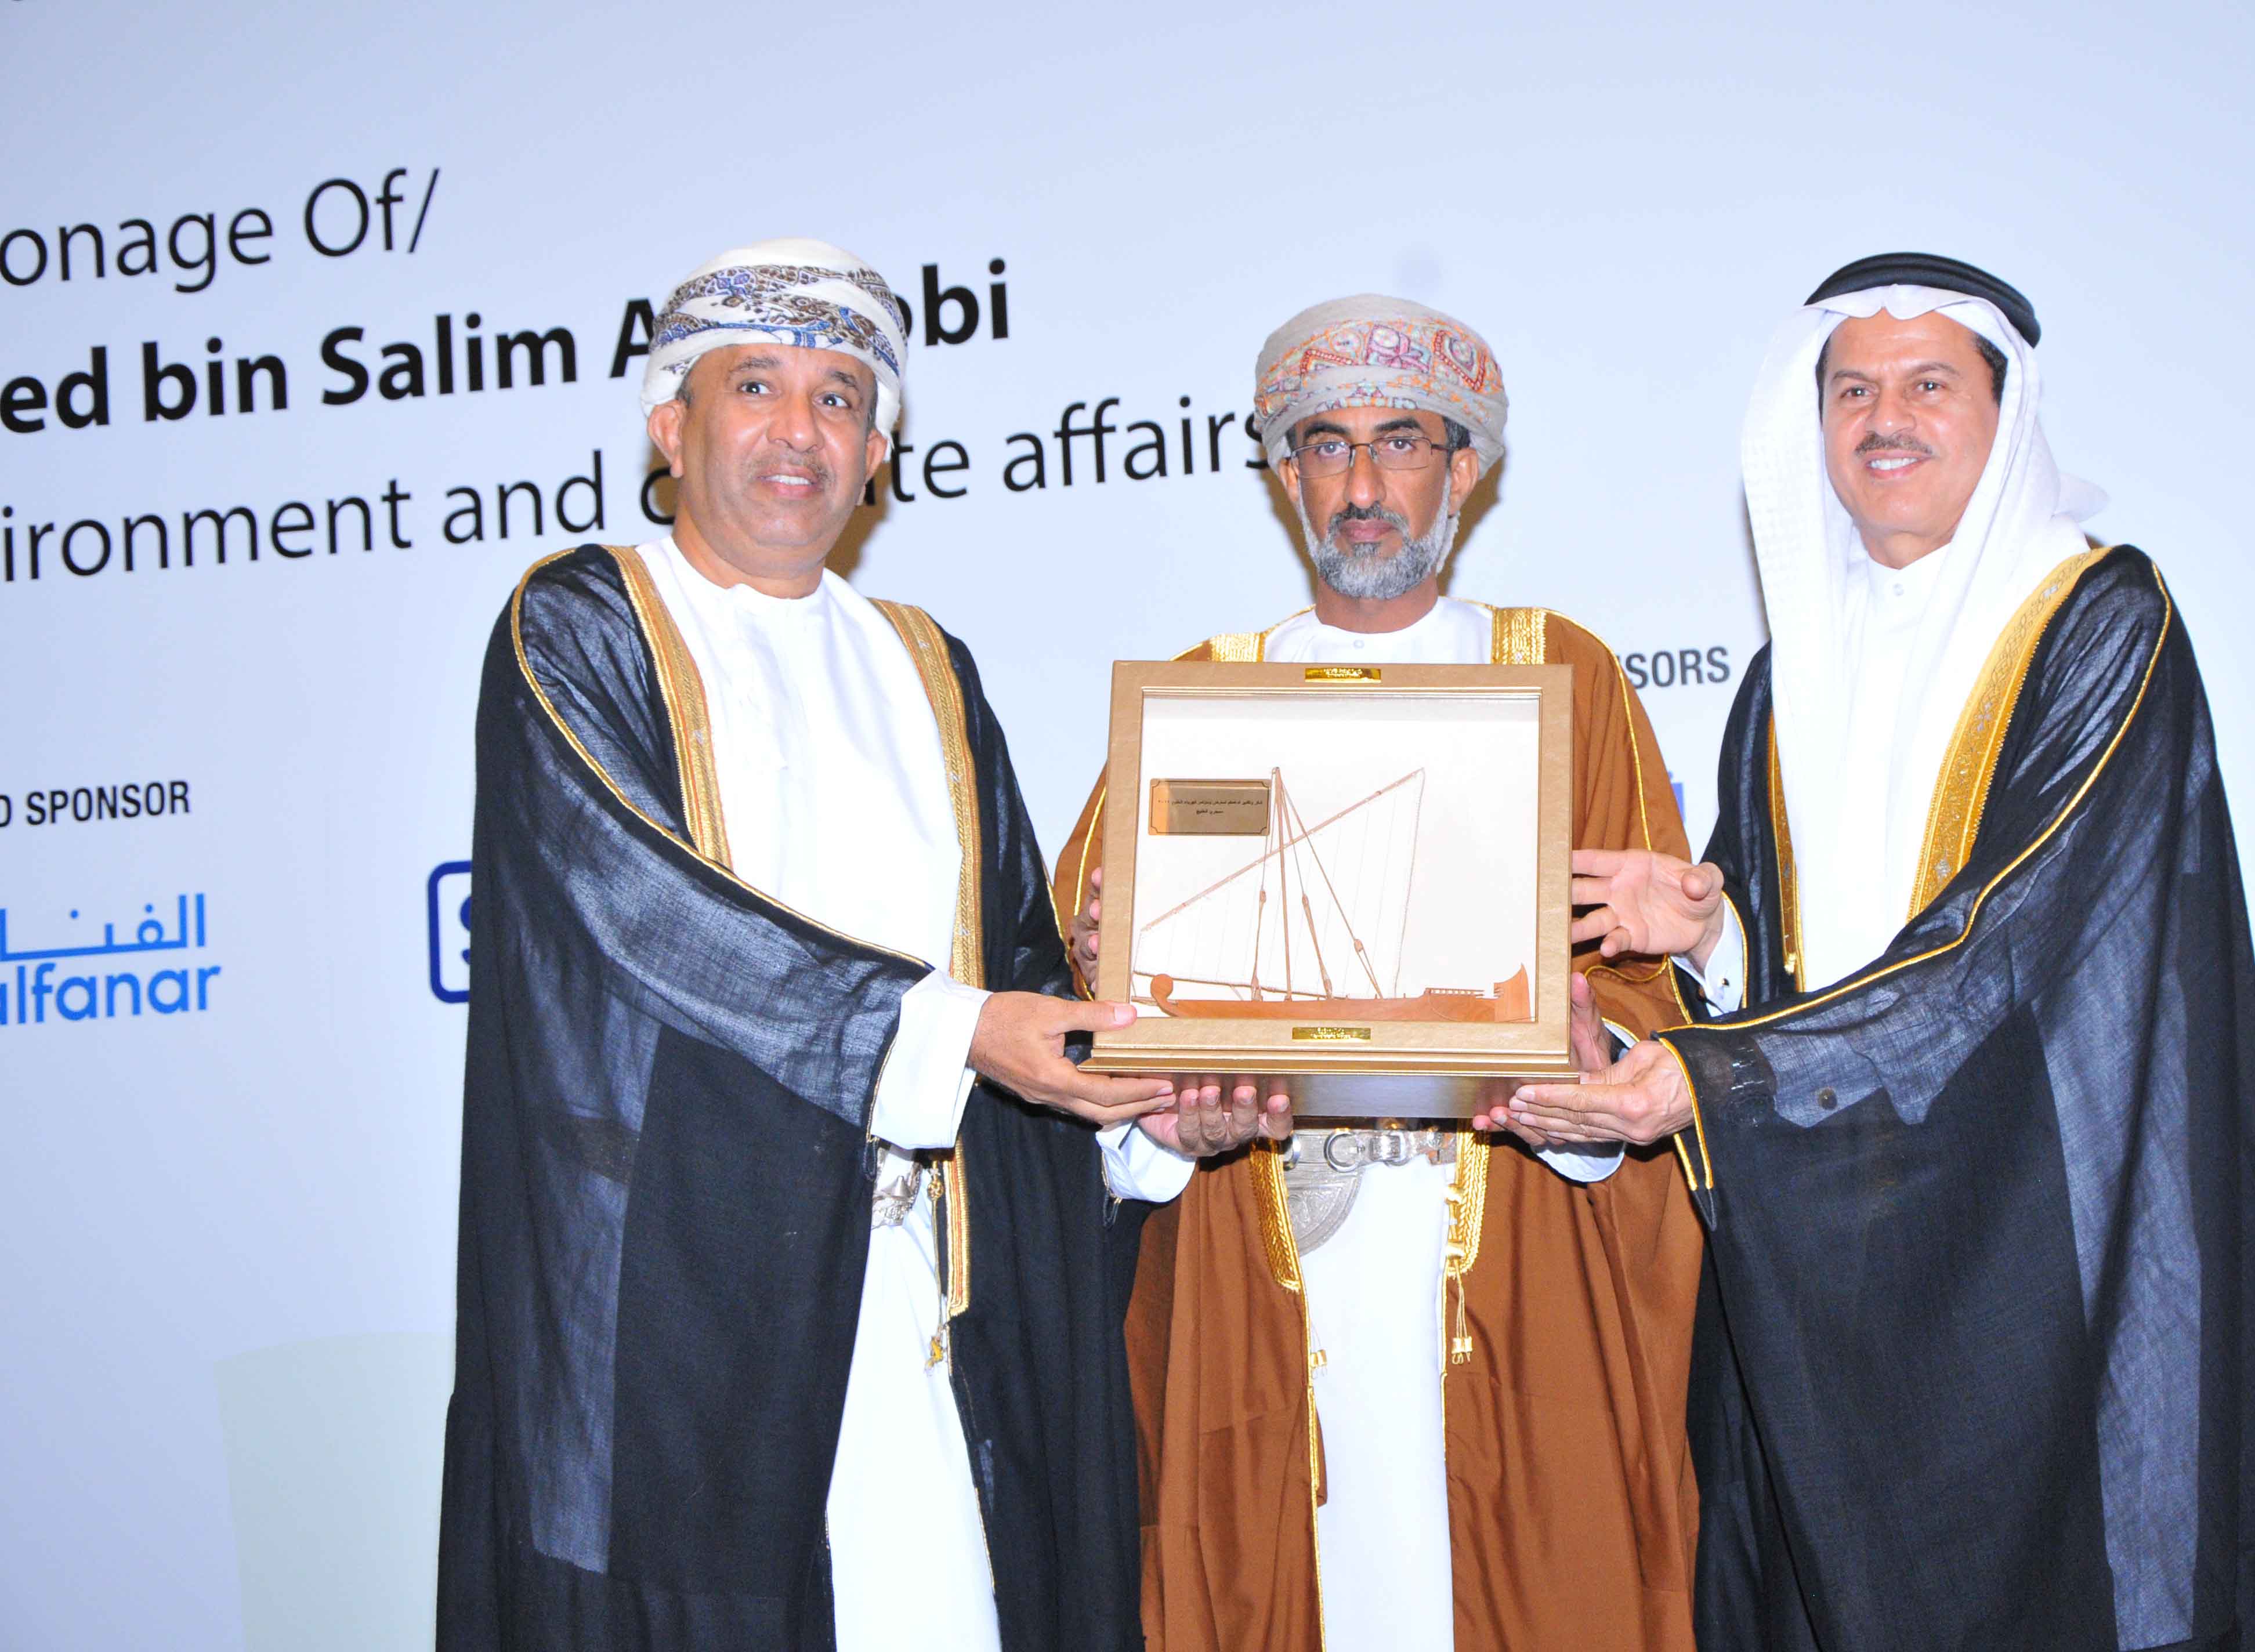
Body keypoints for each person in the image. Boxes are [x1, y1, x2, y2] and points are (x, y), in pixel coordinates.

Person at [1507, 253, 2255, 1650]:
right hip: (1833, 1255)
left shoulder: (2099, 619)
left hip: (2035, 1244)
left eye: (1925, 383)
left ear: (2001, 410)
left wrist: (1707, 1079)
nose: (1883, 418)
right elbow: (1808, 969)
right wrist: (1715, 935)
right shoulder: (1786, 673)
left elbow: (2008, 939)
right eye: (1850, 390)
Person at [436, 238, 1171, 1651]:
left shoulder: (925, 664)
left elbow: (1018, 971)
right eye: (757, 385)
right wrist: (959, 1029)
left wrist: (1146, 1101)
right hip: (678, 1327)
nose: (799, 429)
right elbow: (653, 922)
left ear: (877, 454)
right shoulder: (578, 624)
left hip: (918, 1298)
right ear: (671, 426)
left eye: (840, 398)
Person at [1055, 295, 1704, 1651]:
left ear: (1462, 468)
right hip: (1270, 1273)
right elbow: (1089, 1025)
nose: (1360, 485)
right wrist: (1161, 1102)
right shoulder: (1200, 702)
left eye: (1399, 441)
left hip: (1514, 1272)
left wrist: (1583, 1065)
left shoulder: (1564, 676)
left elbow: (1649, 998)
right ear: (1283, 474)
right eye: (1324, 445)